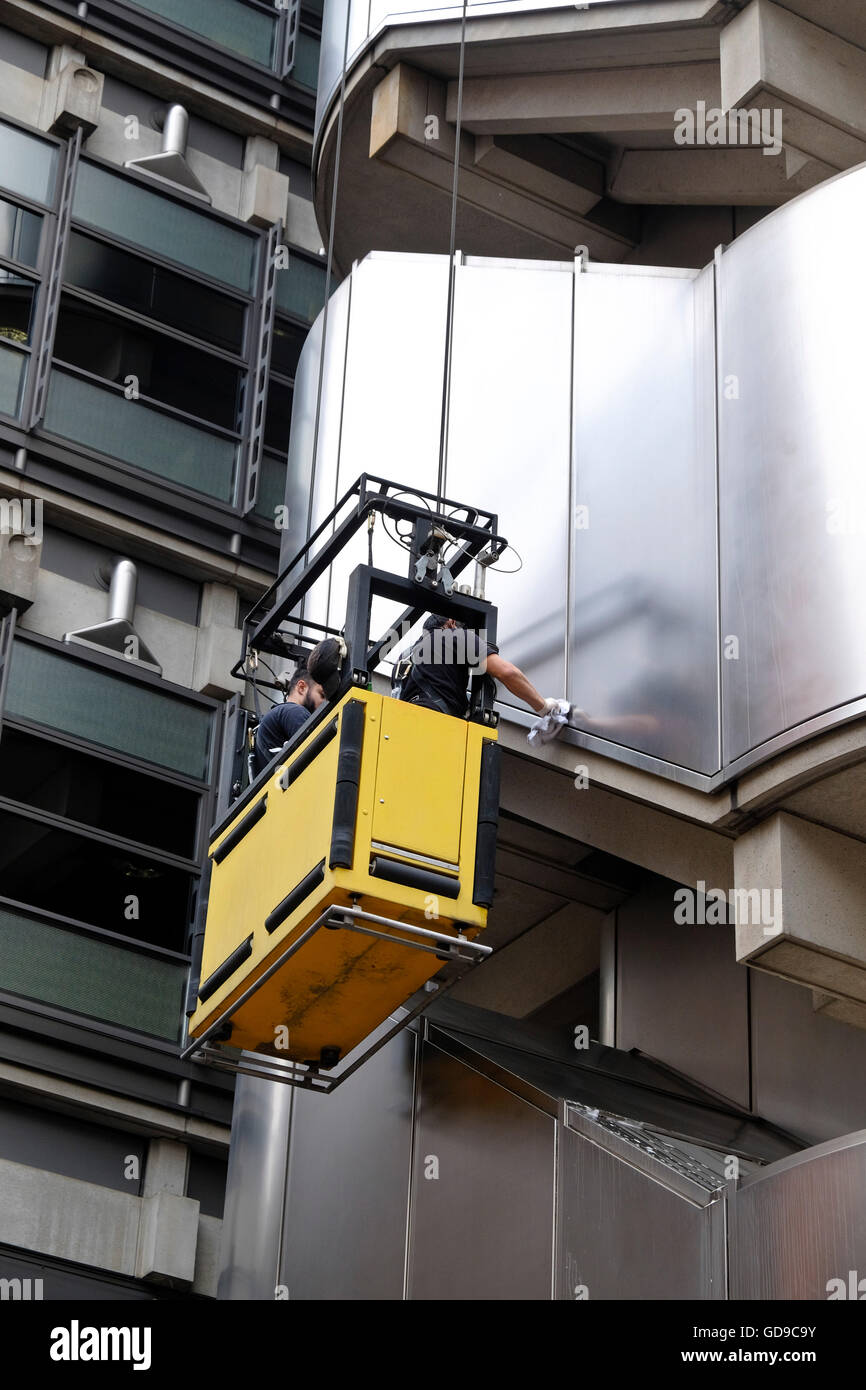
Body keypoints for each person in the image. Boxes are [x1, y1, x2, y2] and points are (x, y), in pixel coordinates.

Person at [397, 614, 560, 718]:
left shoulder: (404, 658)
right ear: (452, 622)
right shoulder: (453, 635)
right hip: (436, 724)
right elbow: (507, 673)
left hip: (402, 727)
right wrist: (543, 706)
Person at [252, 664, 325, 776]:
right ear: (301, 687)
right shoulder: (294, 711)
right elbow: (317, 756)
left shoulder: (275, 717)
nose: (324, 703)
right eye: (322, 695)